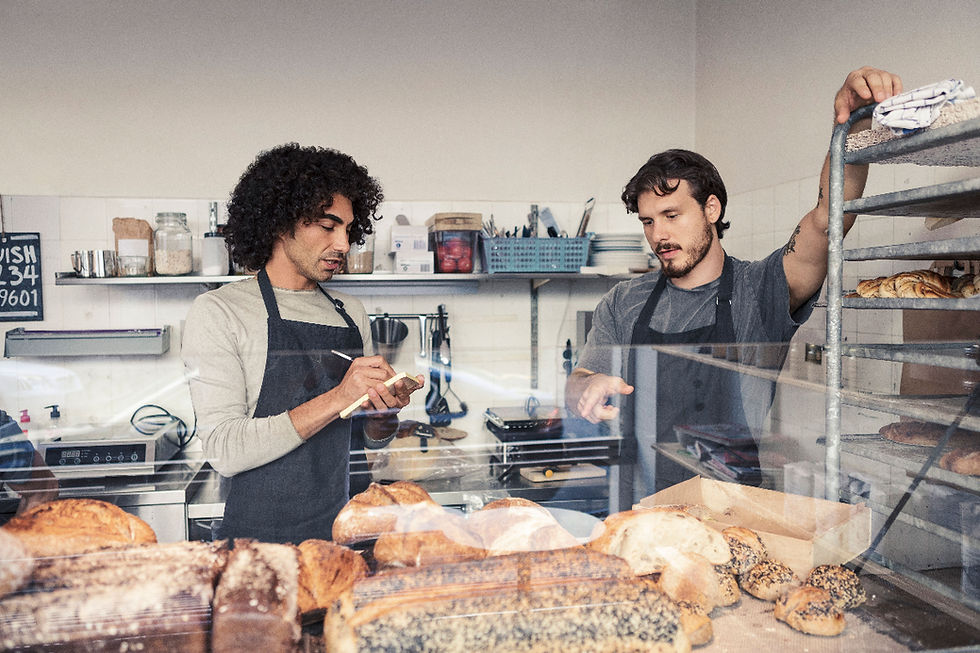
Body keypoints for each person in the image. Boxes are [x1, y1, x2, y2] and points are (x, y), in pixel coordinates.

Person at [565, 67, 904, 498]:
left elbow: (827, 221)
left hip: (734, 513)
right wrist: (584, 388)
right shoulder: (624, 301)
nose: (658, 235)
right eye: (649, 221)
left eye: (672, 216)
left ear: (711, 208)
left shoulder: (759, 289)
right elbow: (579, 377)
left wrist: (852, 125)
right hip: (640, 506)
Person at [181, 143, 424, 544]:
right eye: (328, 227)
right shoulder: (220, 311)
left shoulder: (350, 311)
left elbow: (363, 439)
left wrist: (382, 416)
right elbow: (225, 450)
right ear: (281, 222)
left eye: (348, 229)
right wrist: (339, 396)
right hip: (264, 541)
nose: (344, 245)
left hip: (353, 531)